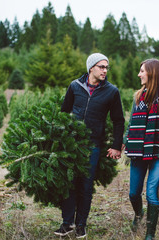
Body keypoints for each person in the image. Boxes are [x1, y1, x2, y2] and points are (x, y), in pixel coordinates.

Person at [54, 53, 125, 238]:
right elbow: (64, 112)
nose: (105, 70)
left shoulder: (111, 91)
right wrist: (60, 138)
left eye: (107, 67)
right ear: (91, 68)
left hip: (93, 144)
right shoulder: (75, 86)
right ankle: (67, 223)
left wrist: (117, 145)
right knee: (69, 182)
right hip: (72, 143)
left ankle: (81, 225)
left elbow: (118, 120)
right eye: (101, 66)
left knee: (85, 185)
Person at [123, 58, 159, 240]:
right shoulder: (138, 96)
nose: (139, 74)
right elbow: (132, 123)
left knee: (151, 193)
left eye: (142, 71)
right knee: (133, 193)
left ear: (152, 73)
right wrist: (125, 141)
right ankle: (139, 214)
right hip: (138, 151)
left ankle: (150, 235)